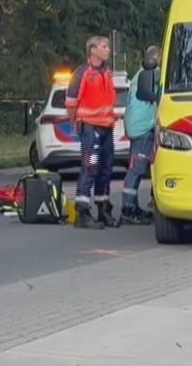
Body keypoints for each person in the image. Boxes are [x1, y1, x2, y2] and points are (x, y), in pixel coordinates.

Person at [66, 35, 117, 228]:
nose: (108, 50)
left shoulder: (107, 73)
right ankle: (82, 213)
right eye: (104, 47)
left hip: (106, 128)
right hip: (91, 128)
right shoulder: (82, 73)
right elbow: (71, 103)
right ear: (93, 50)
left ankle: (103, 209)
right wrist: (76, 123)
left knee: (105, 168)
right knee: (90, 168)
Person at [120, 44, 161, 224]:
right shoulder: (154, 73)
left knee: (137, 168)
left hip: (137, 126)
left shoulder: (140, 74)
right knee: (136, 169)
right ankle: (128, 209)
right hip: (143, 128)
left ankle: (133, 206)